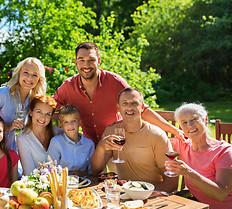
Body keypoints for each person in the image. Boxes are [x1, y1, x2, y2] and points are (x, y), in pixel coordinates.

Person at [53, 41, 184, 145]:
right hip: (90, 148)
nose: (86, 65)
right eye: (81, 60)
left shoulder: (115, 82)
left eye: (91, 60)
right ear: (76, 62)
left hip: (120, 143)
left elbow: (142, 109)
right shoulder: (69, 86)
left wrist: (174, 130)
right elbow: (50, 105)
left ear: (98, 61)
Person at [90, 87, 178, 193]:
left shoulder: (157, 135)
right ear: (118, 108)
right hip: (125, 193)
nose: (129, 107)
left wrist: (149, 196)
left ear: (142, 107)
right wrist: (101, 146)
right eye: (125, 103)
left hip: (151, 194)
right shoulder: (112, 131)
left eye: (134, 103)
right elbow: (96, 170)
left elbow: (172, 181)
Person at [165, 103, 232, 209]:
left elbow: (221, 193)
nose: (189, 125)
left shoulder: (224, 152)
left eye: (194, 119)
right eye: (184, 122)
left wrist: (188, 173)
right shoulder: (182, 146)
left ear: (205, 119)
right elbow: (155, 136)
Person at [0, 57, 47, 158]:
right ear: (19, 73)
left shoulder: (32, 101)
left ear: (39, 79)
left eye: (34, 75)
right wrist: (8, 126)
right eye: (26, 72)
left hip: (9, 148)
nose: (29, 78)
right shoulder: (1, 95)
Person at [16, 95, 63, 175]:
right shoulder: (22, 138)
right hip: (33, 184)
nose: (43, 118)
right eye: (39, 112)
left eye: (48, 114)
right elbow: (29, 172)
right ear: (31, 112)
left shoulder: (59, 134)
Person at [47, 105, 94, 176]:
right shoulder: (56, 142)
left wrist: (82, 174)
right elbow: (51, 168)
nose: (70, 125)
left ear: (80, 123)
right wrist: (67, 174)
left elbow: (92, 170)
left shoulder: (89, 144)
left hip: (84, 181)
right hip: (62, 182)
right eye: (66, 122)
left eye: (74, 121)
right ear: (61, 125)